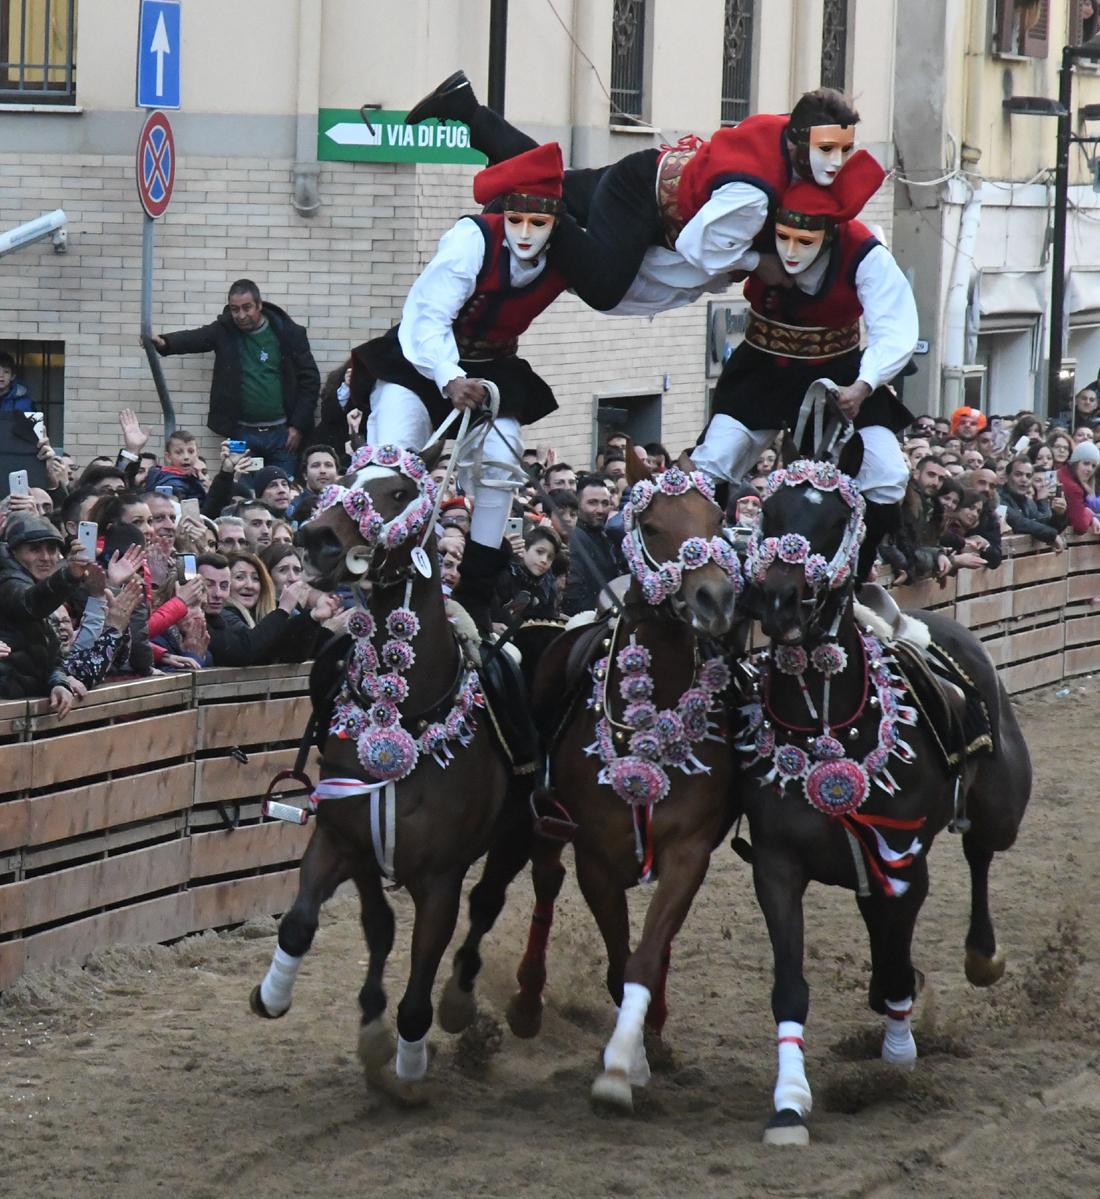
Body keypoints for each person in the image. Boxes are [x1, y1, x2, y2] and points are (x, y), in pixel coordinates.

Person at [351, 142, 576, 633]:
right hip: (422, 360)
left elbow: (623, 285)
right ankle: (370, 564)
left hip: (493, 367)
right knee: (389, 451)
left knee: (502, 458)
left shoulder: (568, 250)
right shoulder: (469, 240)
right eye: (516, 221)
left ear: (555, 223)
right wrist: (449, 376)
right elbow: (428, 315)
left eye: (538, 225)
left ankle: (474, 588)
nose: (525, 234)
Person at [408, 74, 865, 312]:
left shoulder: (781, 130)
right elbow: (698, 247)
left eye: (843, 150)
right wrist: (755, 262)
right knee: (604, 287)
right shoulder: (751, 197)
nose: (835, 163)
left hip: (653, 171)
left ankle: (464, 106)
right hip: (642, 197)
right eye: (825, 149)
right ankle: (532, 208)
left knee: (557, 180)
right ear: (795, 139)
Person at [689, 150, 916, 578]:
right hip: (763, 370)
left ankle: (850, 578)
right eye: (783, 239)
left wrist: (864, 385)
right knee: (711, 463)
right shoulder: (754, 229)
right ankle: (707, 575)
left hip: (842, 376)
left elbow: (897, 327)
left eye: (805, 242)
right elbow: (700, 247)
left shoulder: (865, 252)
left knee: (887, 477)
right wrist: (755, 260)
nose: (791, 252)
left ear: (828, 235)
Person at [152, 279, 320, 475]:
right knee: (242, 491)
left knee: (283, 489)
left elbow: (310, 380)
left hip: (282, 433)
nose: (241, 315)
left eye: (247, 308)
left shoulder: (287, 332)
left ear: (259, 305)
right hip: (242, 433)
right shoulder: (226, 330)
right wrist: (164, 342)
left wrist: (298, 426)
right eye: (235, 309)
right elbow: (197, 338)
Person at [0, 515, 90, 715]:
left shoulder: (40, 588)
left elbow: (47, 656)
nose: (46, 557)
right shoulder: (7, 581)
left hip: (26, 711)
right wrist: (69, 575)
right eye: (34, 549)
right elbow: (29, 603)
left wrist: (58, 683)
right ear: (14, 552)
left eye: (51, 549)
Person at [561, 476, 625, 616]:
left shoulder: (607, 535)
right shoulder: (574, 537)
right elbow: (574, 589)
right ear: (577, 503)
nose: (600, 509)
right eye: (592, 503)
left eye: (605, 503)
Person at [491, 525, 562, 628]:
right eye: (539, 552)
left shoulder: (549, 588)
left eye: (550, 557)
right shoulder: (504, 574)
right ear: (524, 550)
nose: (544, 560)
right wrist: (490, 626)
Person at [1000, 456, 1067, 550]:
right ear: (1007, 477)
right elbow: (1018, 523)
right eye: (1018, 474)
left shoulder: (1028, 503)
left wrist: (1059, 514)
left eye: (1028, 476)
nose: (1024, 479)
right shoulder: (998, 500)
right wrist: (1052, 535)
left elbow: (1044, 525)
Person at [142, 430, 207, 501]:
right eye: (179, 452)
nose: (186, 457)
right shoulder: (173, 483)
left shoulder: (190, 477)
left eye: (191, 451)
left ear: (197, 454)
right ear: (168, 457)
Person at [1057, 441, 1100, 536]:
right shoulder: (1073, 487)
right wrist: (1089, 513)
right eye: (1086, 463)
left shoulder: (1062, 473)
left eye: (1093, 466)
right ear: (1075, 463)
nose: (1090, 469)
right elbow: (1081, 526)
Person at [224, 550, 277, 626]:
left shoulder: (266, 619)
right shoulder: (225, 619)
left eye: (255, 578)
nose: (250, 586)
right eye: (239, 577)